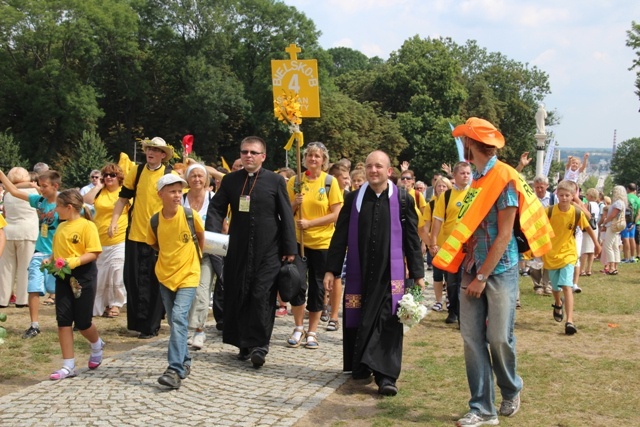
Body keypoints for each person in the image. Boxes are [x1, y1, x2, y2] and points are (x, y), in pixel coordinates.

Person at [434, 117, 553, 426]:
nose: (463, 148)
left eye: (465, 143)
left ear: (473, 145)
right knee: (472, 341)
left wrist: (482, 277)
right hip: (471, 267)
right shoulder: (476, 180)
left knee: (499, 337)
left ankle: (511, 387)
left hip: (499, 270)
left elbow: (503, 235)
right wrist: (470, 272)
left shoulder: (505, 178)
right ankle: (482, 409)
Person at [323, 150, 424, 396]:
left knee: (388, 321)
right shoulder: (354, 199)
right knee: (363, 317)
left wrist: (418, 273)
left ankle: (386, 376)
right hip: (361, 273)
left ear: (389, 171)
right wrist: (331, 269)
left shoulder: (402, 199)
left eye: (379, 166)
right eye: (369, 166)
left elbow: (411, 238)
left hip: (392, 275)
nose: (373, 171)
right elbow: (340, 236)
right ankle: (363, 364)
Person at [206, 136, 297, 368]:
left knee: (261, 294)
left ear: (263, 157)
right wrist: (213, 237)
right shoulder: (230, 180)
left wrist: (290, 248)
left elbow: (286, 215)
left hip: (269, 249)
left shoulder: (275, 181)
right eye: (244, 151)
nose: (248, 156)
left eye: (253, 153)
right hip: (239, 248)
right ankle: (243, 343)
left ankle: (260, 345)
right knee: (240, 293)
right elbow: (216, 209)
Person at [110, 137, 176, 339]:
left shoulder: (169, 175)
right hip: (135, 234)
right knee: (133, 280)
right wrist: (114, 221)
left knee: (154, 282)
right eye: (148, 149)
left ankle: (151, 325)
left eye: (155, 150)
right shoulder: (136, 171)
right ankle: (137, 322)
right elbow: (123, 199)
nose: (150, 152)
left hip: (158, 238)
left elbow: (175, 204)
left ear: (163, 155)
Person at [147, 174, 204, 389]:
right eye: (172, 191)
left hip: (189, 274)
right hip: (165, 275)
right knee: (173, 321)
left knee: (179, 317)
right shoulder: (154, 220)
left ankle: (174, 369)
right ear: (160, 194)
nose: (177, 195)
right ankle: (185, 360)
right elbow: (154, 243)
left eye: (180, 191)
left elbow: (201, 237)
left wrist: (192, 258)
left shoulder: (190, 215)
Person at [287, 141, 343, 350]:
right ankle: (298, 327)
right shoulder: (295, 181)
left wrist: (310, 223)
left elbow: (336, 213)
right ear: (304, 158)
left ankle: (312, 330)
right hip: (298, 242)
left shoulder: (330, 182)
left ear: (324, 160)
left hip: (322, 242)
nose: (313, 159)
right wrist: (295, 204)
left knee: (318, 287)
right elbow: (285, 210)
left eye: (317, 156)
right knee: (296, 283)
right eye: (309, 155)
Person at [48, 189, 104, 380]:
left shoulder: (87, 226)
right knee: (63, 321)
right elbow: (56, 253)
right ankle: (68, 365)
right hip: (62, 276)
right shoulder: (61, 228)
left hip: (83, 276)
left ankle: (96, 344)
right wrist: (49, 260)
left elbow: (94, 252)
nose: (55, 209)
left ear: (69, 207)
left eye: (58, 205)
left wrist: (75, 261)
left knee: (82, 323)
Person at [0, 169, 61, 338]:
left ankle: (69, 320)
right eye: (40, 186)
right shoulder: (39, 201)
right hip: (40, 251)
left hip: (58, 253)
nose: (41, 189)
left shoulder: (64, 202)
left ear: (55, 186)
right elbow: (13, 191)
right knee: (33, 287)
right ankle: (34, 325)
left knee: (55, 288)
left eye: (44, 186)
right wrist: (1, 175)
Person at [544, 180, 600, 336]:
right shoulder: (548, 212)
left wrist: (596, 244)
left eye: (567, 195)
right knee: (556, 288)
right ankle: (557, 303)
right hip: (551, 254)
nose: (564, 198)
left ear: (572, 196)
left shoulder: (576, 212)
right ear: (557, 195)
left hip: (568, 253)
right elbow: (539, 228)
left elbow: (588, 226)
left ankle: (570, 321)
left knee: (567, 286)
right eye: (561, 195)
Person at [83, 163, 128, 318]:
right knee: (101, 274)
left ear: (119, 177)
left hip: (119, 237)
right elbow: (86, 200)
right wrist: (98, 186)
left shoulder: (124, 192)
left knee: (117, 271)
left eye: (112, 175)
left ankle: (116, 303)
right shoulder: (99, 192)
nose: (109, 177)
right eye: (106, 175)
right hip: (100, 238)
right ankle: (103, 304)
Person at [429, 162, 471, 324]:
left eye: (468, 173)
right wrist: (433, 243)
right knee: (452, 282)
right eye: (462, 173)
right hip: (449, 246)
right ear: (454, 175)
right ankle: (453, 309)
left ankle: (463, 315)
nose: (465, 176)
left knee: (465, 281)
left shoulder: (474, 194)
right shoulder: (446, 196)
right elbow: (437, 221)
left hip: (469, 246)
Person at [182, 163, 216, 350]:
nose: (196, 179)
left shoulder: (213, 198)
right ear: (187, 179)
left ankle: (199, 331)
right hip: (184, 254)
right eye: (193, 176)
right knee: (186, 292)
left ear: (206, 179)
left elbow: (222, 223)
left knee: (202, 291)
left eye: (200, 176)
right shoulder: (181, 199)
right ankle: (186, 328)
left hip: (207, 252)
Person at [0, 167, 38, 308]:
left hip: (9, 231)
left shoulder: (7, 193)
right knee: (25, 267)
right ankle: (23, 299)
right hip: (27, 231)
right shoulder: (33, 191)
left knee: (6, 268)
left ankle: (2, 299)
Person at [424, 176, 452, 311]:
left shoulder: (452, 201)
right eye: (439, 186)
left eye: (444, 186)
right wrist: (430, 244)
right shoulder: (431, 205)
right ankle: (439, 300)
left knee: (450, 275)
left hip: (451, 244)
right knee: (437, 274)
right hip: (436, 244)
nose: (441, 188)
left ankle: (450, 299)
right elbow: (425, 227)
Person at [528, 175, 557, 295]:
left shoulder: (553, 198)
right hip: (535, 233)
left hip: (548, 232)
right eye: (537, 187)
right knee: (536, 260)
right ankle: (537, 285)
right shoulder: (531, 198)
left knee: (548, 260)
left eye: (542, 187)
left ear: (547, 186)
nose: (540, 190)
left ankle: (547, 285)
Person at [601, 185, 627, 275]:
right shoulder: (622, 202)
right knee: (615, 246)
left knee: (608, 246)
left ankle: (611, 267)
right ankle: (614, 266)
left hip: (612, 225)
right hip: (616, 226)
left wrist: (605, 222)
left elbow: (613, 215)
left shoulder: (618, 203)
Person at [579, 188, 600, 276]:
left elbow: (583, 211)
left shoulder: (588, 204)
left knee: (585, 249)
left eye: (587, 195)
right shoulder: (597, 205)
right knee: (591, 250)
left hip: (589, 226)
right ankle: (589, 269)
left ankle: (582, 269)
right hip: (595, 226)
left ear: (590, 196)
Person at [622, 183, 640, 263]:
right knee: (632, 239)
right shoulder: (638, 199)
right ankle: (632, 257)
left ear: (628, 189)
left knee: (625, 239)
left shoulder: (625, 197)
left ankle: (626, 257)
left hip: (625, 220)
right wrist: (634, 223)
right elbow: (639, 213)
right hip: (634, 221)